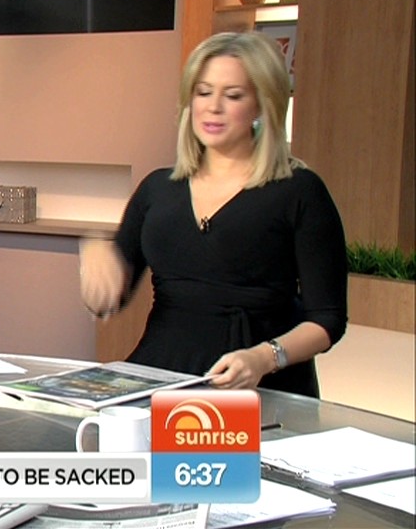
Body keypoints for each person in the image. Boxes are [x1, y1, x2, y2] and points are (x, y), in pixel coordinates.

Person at [79, 31, 348, 398]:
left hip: (257, 389)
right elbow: (109, 299)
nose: (213, 107)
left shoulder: (299, 191)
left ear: (261, 105)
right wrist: (97, 266)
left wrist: (264, 357)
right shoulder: (157, 189)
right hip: (162, 379)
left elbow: (327, 320)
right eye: (203, 92)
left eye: (233, 95)